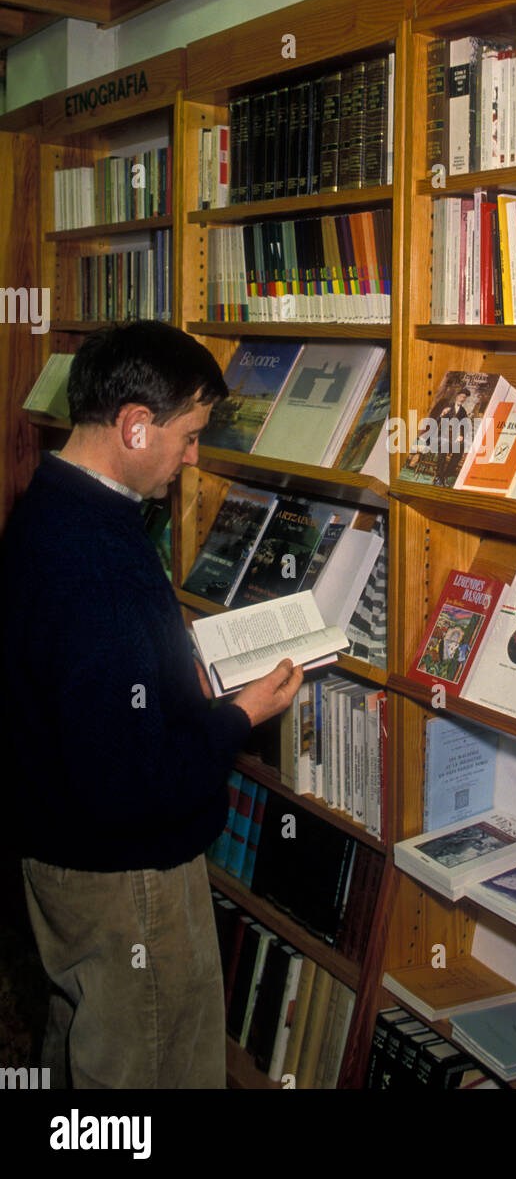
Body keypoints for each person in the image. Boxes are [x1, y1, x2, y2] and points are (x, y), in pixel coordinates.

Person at [0, 322, 303, 1089]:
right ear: (136, 425)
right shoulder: (95, 557)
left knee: (83, 1038)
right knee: (150, 1068)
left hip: (59, 851)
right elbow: (127, 782)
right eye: (189, 435)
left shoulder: (58, 504)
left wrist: (169, 673)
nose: (193, 456)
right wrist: (239, 716)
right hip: (124, 877)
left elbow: (83, 683)